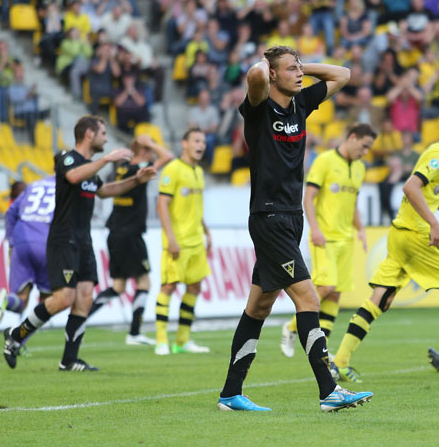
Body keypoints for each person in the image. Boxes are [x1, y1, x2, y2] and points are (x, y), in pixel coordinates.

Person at [217, 46, 372, 413]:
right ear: (273, 74)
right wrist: (268, 63)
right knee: (309, 299)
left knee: (259, 307)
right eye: (291, 69)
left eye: (300, 69)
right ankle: (329, 391)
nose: (300, 74)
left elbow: (343, 75)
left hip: (291, 217)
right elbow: (255, 75)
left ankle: (230, 394)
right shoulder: (258, 108)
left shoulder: (301, 104)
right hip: (269, 217)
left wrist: (298, 66)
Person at [332, 103, 439, 383]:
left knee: (380, 300)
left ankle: (339, 362)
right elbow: (410, 187)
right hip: (416, 236)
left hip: (401, 234)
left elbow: (431, 197)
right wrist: (433, 223)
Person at [3, 116, 156, 371]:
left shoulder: (90, 169)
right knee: (64, 299)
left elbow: (104, 191)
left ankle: (69, 360)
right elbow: (73, 177)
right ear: (89, 134)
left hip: (83, 241)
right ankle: (16, 334)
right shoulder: (66, 158)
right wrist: (107, 160)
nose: (106, 139)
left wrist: (136, 180)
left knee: (84, 297)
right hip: (63, 240)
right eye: (103, 133)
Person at [280, 123, 377, 358]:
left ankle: (322, 350)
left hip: (346, 239)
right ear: (352, 137)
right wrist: (314, 229)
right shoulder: (324, 161)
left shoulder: (359, 168)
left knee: (335, 294)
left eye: (369, 148)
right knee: (326, 287)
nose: (365, 152)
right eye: (364, 146)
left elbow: (352, 203)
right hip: (324, 237)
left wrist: (361, 229)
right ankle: (290, 328)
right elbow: (309, 198)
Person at [86, 135, 174, 345]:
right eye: (149, 150)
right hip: (131, 233)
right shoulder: (141, 169)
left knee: (118, 286)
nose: (152, 153)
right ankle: (134, 333)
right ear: (144, 151)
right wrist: (151, 143)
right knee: (144, 282)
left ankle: (79, 318)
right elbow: (168, 156)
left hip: (115, 232)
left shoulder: (121, 166)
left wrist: (142, 146)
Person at [154, 128, 211, 356]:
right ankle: (161, 341)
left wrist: (206, 230)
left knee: (195, 287)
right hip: (177, 241)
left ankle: (182, 341)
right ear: (184, 143)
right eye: (196, 141)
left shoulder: (199, 171)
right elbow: (162, 205)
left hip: (196, 241)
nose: (201, 145)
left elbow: (195, 206)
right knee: (168, 286)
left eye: (203, 142)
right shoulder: (173, 169)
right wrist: (170, 238)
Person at [0, 177, 54, 325]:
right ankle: (21, 335)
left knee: (21, 300)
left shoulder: (33, 186)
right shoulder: (65, 188)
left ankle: (6, 300)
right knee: (47, 302)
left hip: (21, 243)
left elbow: (10, 213)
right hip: (46, 244)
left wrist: (11, 242)